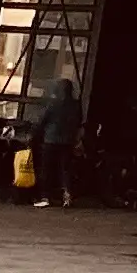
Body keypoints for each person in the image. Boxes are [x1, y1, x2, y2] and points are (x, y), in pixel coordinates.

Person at [31, 74, 83, 208]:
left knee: (46, 169)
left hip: (51, 140)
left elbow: (42, 121)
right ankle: (67, 195)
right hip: (68, 141)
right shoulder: (75, 105)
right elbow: (79, 122)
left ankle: (45, 197)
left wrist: (34, 135)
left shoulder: (53, 104)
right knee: (65, 169)